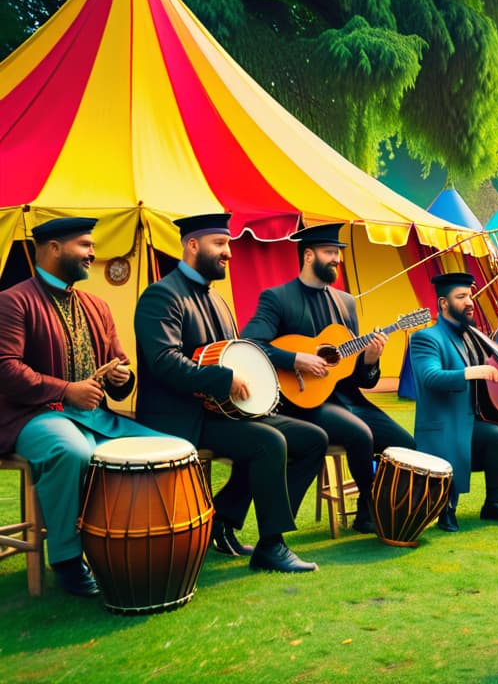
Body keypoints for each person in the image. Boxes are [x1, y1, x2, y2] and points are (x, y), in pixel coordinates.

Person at [0, 217, 188, 597]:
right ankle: (68, 562)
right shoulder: (12, 301)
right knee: (74, 452)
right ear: (53, 248)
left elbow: (118, 362)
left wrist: (122, 378)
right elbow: (6, 369)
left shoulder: (97, 305)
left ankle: (132, 547)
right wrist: (67, 389)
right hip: (35, 417)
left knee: (169, 449)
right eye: (84, 245)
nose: (93, 253)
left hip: (96, 416)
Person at [134, 213, 327, 573]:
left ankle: (223, 516)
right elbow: (163, 360)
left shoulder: (218, 300)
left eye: (228, 244)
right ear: (192, 245)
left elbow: (238, 353)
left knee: (313, 439)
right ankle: (271, 545)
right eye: (220, 244)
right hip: (181, 417)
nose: (229, 253)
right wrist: (224, 380)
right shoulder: (161, 295)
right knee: (268, 444)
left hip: (224, 411)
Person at [240, 222, 415, 535]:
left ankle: (375, 509)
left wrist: (371, 359)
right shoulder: (277, 299)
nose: (337, 259)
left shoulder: (346, 303)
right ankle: (371, 507)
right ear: (308, 256)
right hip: (301, 402)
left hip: (346, 399)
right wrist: (296, 359)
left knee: (405, 443)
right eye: (330, 252)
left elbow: (357, 375)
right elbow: (251, 343)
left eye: (338, 253)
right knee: (361, 434)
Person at [408, 272, 498, 532]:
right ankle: (446, 509)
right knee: (496, 436)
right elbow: (430, 378)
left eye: (470, 296)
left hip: (472, 423)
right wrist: (473, 372)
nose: (469, 302)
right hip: (446, 427)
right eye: (461, 297)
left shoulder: (472, 336)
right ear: (444, 304)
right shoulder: (426, 338)